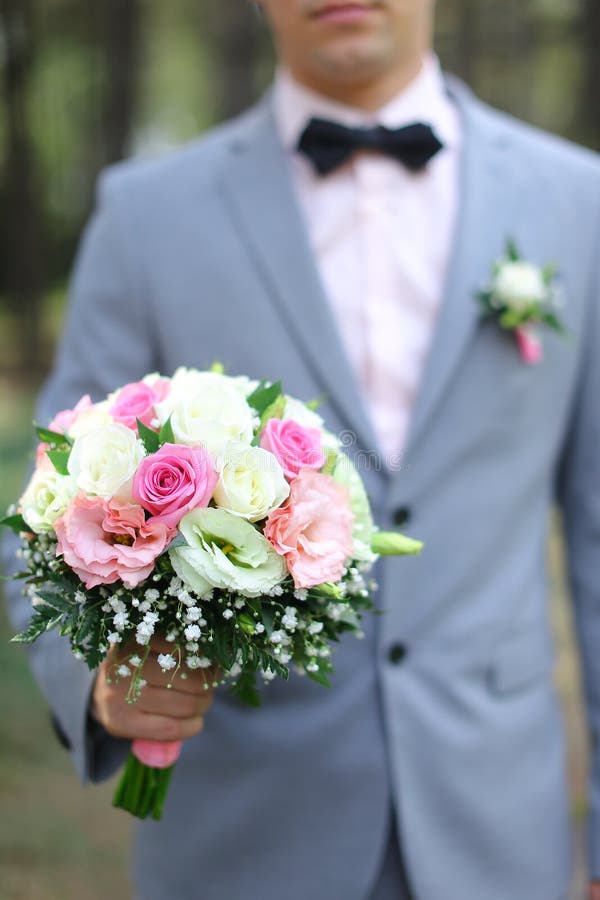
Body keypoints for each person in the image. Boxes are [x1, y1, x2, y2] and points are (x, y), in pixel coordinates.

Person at [3, 1, 600, 898]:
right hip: (241, 837)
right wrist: (99, 681)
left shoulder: (579, 199)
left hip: (500, 831)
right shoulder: (145, 213)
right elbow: (43, 505)